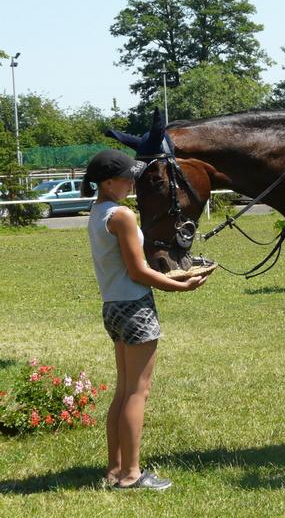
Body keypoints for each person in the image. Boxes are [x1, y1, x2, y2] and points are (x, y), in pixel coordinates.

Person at [82, 149, 207, 491]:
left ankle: (114, 470)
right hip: (135, 307)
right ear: (108, 182)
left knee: (124, 390)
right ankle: (131, 475)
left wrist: (172, 276)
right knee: (138, 392)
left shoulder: (98, 211)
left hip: (113, 306)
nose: (132, 183)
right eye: (127, 178)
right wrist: (181, 286)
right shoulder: (121, 215)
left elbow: (131, 266)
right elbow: (138, 272)